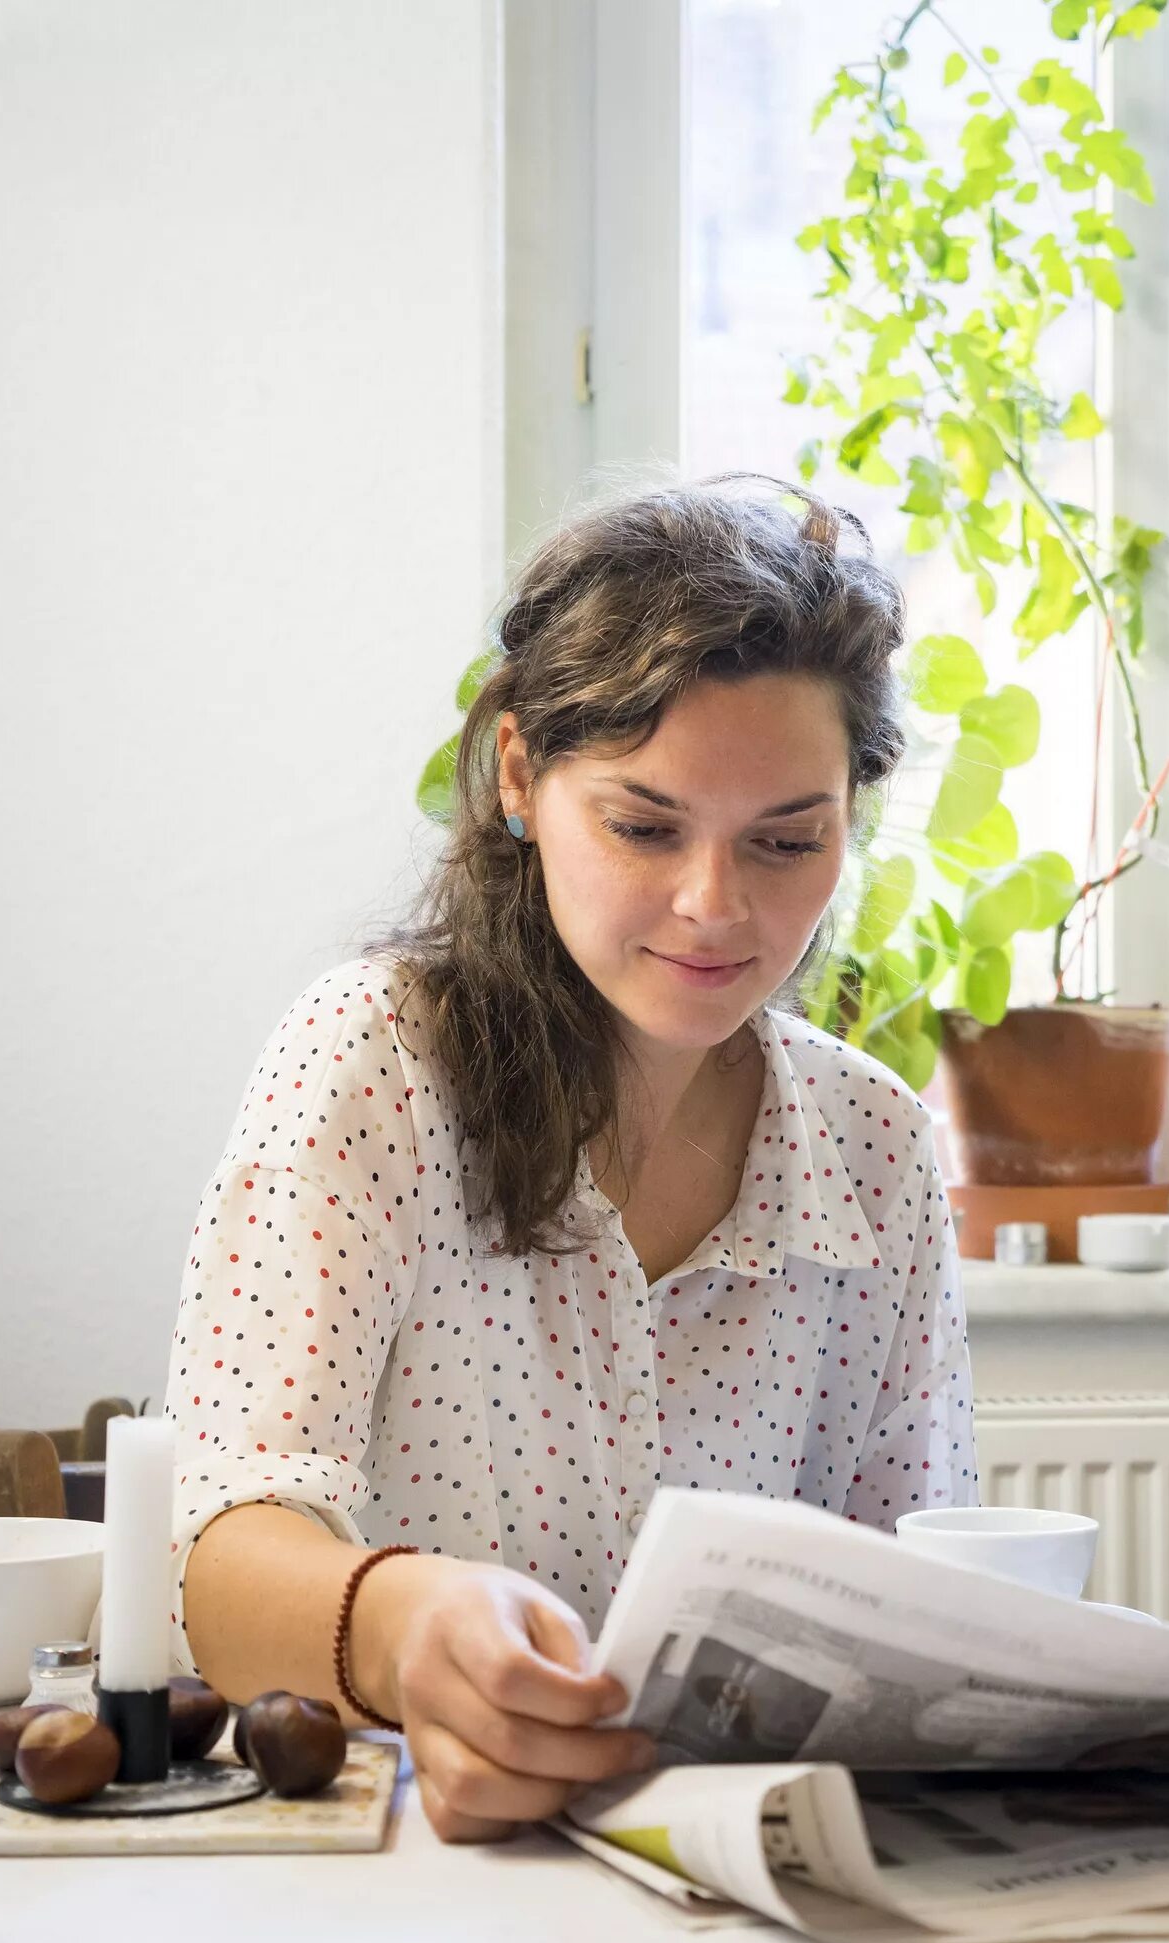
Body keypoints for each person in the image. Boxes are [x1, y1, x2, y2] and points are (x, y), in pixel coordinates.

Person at [167, 475, 979, 1842]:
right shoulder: (372, 1064)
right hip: (407, 1890)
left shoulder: (875, 1148)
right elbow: (220, 1558)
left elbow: (917, 1602)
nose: (716, 906)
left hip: (740, 1891)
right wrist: (406, 1622)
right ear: (521, 779)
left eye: (790, 839)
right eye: (644, 826)